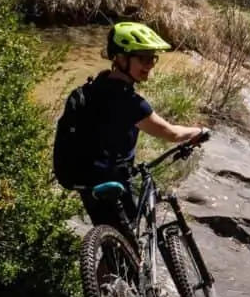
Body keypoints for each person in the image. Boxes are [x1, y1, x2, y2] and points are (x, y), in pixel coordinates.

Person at [74, 21, 207, 236]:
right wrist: (199, 132)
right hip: (112, 181)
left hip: (84, 178)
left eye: (153, 58)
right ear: (120, 57)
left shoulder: (91, 88)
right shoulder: (130, 103)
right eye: (143, 58)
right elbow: (171, 134)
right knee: (128, 246)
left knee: (112, 244)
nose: (150, 65)